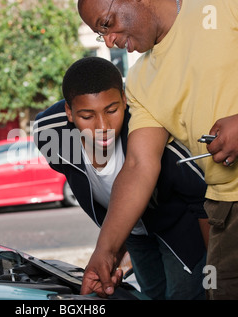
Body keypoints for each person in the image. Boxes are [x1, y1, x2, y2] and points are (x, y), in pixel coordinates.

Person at [77, 0, 238, 299]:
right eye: (101, 35)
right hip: (226, 218)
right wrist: (105, 251)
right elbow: (139, 164)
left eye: (106, 23)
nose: (110, 40)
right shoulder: (140, 81)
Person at [33, 56, 208, 299]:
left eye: (112, 110)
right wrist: (112, 250)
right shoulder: (51, 136)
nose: (102, 125)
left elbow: (201, 196)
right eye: (87, 116)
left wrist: (217, 265)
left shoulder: (150, 133)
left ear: (124, 100)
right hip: (132, 233)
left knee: (182, 294)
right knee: (151, 293)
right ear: (69, 113)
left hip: (178, 229)